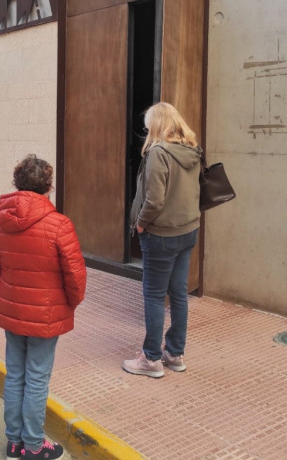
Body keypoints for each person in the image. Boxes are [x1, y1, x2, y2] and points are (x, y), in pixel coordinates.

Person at [0, 154, 87, 460]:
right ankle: (33, 445)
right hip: (45, 315)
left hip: (13, 311)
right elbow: (75, 275)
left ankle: (14, 442)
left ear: (18, 183)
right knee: (36, 378)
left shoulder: (2, 222)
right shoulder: (59, 224)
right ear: (48, 186)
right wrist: (70, 303)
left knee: (16, 373)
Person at [123, 102, 202, 378]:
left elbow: (154, 200)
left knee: (154, 295)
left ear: (157, 125)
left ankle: (151, 358)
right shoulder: (191, 150)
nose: (145, 131)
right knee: (179, 294)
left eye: (147, 126)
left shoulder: (159, 153)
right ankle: (175, 353)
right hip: (187, 231)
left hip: (162, 234)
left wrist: (141, 224)